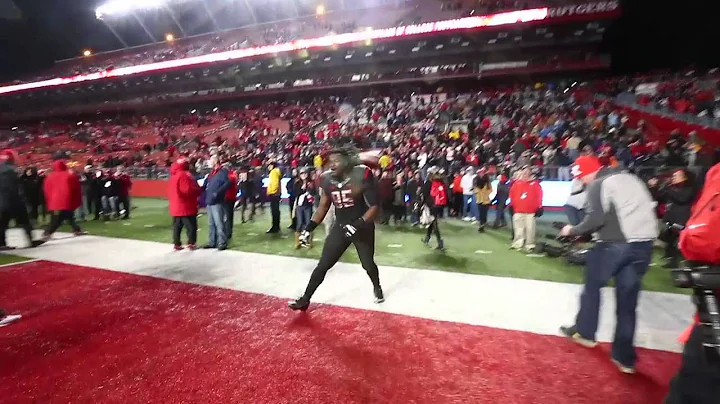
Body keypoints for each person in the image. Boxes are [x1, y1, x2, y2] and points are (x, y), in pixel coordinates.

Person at [559, 155, 658, 374]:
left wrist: (571, 231)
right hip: (644, 245)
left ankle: (585, 333)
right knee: (628, 301)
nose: (582, 181)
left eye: (581, 177)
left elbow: (595, 219)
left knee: (592, 288)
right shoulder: (631, 178)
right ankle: (625, 358)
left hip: (615, 245)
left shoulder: (598, 184)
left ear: (587, 172)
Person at [288, 148, 384, 311]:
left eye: (336, 161)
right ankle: (305, 299)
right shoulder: (326, 179)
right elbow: (323, 207)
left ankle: (377, 287)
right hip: (340, 226)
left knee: (367, 264)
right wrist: (309, 228)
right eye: (330, 161)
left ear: (346, 162)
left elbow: (374, 207)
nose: (332, 165)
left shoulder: (360, 175)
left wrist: (357, 224)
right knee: (323, 265)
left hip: (362, 227)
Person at [0, 150, 45, 250]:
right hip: (13, 200)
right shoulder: (10, 170)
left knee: (3, 223)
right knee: (24, 221)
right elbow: (14, 187)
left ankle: (2, 243)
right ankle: (30, 240)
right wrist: (22, 199)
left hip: (3, 201)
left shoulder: (3, 169)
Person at [42, 160, 86, 239]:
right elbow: (75, 188)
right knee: (59, 218)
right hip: (66, 200)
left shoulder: (50, 177)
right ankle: (47, 232)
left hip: (54, 202)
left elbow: (46, 189)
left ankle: (77, 230)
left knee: (65, 216)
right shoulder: (69, 176)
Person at [168, 158, 201, 251]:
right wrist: (198, 190)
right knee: (191, 226)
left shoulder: (173, 175)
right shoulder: (185, 175)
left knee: (177, 227)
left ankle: (177, 244)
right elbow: (187, 190)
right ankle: (191, 243)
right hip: (186, 206)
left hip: (176, 206)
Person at [509, 166, 543, 252]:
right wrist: (511, 205)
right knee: (518, 228)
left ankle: (530, 245)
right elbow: (512, 195)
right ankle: (517, 243)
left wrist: (539, 207)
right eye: (523, 172)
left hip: (530, 211)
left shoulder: (535, 184)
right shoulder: (516, 184)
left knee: (530, 228)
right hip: (518, 210)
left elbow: (539, 196)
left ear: (530, 173)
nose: (524, 174)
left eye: (526, 172)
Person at [202, 155, 231, 250]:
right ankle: (212, 242)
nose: (209, 163)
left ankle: (222, 243)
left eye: (211, 161)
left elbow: (228, 183)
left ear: (215, 161)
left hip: (217, 201)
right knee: (211, 223)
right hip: (210, 201)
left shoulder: (222, 172)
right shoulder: (211, 173)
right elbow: (206, 184)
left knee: (219, 223)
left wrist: (217, 193)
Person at [422, 166, 447, 250]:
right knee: (431, 222)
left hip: (431, 205)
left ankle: (440, 242)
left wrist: (424, 203)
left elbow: (425, 194)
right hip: (438, 205)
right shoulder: (440, 181)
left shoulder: (429, 182)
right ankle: (427, 238)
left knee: (434, 223)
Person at [292, 168, 316, 249]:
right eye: (302, 173)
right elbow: (295, 193)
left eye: (305, 173)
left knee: (308, 224)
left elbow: (314, 193)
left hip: (308, 206)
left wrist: (310, 188)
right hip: (300, 206)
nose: (303, 175)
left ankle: (309, 242)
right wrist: (302, 188)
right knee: (299, 224)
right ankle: (297, 242)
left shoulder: (311, 183)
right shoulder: (297, 183)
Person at [266, 161, 282, 234]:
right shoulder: (276, 172)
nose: (268, 167)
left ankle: (275, 227)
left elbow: (275, 183)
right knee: (276, 211)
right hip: (276, 194)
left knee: (274, 211)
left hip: (274, 194)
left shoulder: (273, 172)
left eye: (269, 165)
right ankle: (276, 226)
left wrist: (272, 192)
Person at [224, 164, 238, 239]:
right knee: (229, 216)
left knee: (228, 216)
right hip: (231, 197)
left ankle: (228, 232)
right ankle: (228, 232)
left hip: (228, 198)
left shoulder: (230, 177)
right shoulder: (233, 175)